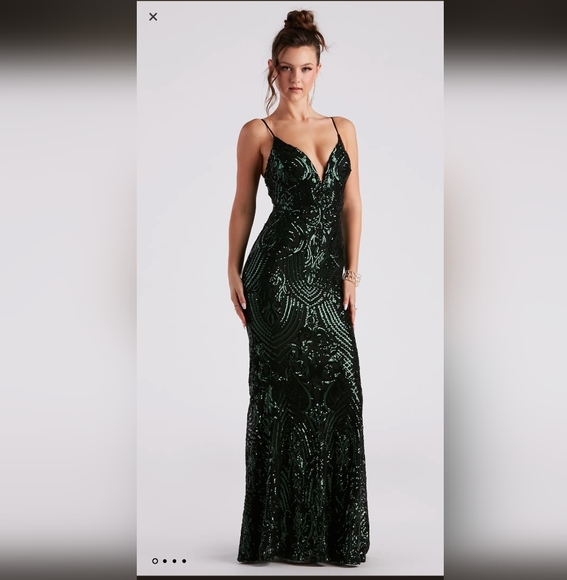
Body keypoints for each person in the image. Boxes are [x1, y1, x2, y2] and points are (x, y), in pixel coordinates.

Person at [227, 9, 370, 566]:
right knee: (279, 400)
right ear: (272, 69)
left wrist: (351, 275)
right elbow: (243, 206)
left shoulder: (343, 128)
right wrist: (232, 268)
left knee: (342, 391)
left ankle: (330, 537)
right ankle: (276, 536)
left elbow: (352, 204)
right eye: (286, 68)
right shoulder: (257, 133)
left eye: (305, 68)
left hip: (327, 280)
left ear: (317, 70)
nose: (295, 78)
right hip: (275, 282)